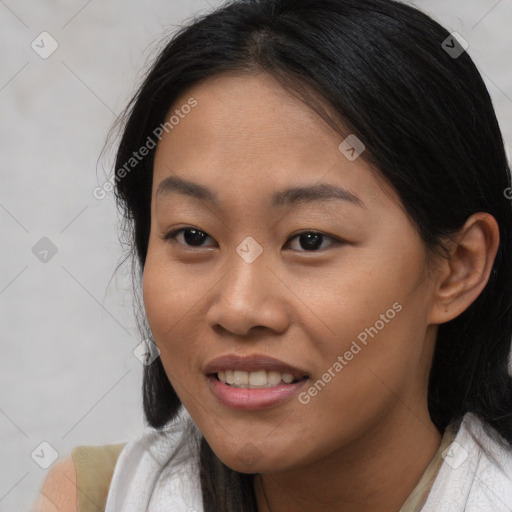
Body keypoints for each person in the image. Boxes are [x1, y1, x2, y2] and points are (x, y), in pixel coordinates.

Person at [32, 0, 512, 510]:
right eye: (193, 236)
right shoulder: (96, 498)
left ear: (457, 268)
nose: (238, 308)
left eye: (310, 240)